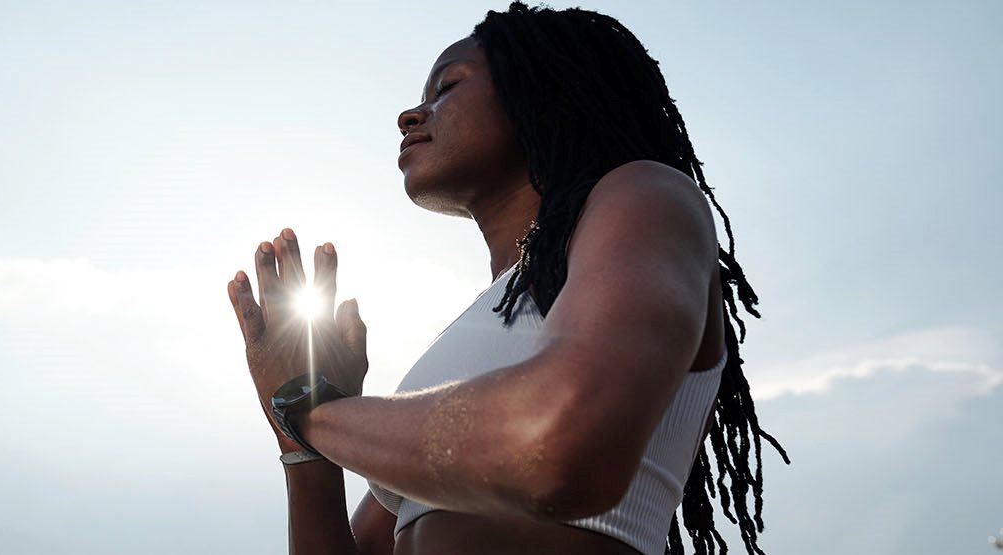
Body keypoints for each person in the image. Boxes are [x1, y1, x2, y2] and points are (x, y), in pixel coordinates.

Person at [224, 4, 788, 554]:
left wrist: (309, 406)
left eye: (446, 88)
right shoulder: (477, 329)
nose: (410, 116)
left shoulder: (645, 197)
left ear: (541, 89)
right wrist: (303, 449)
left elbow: (559, 444)